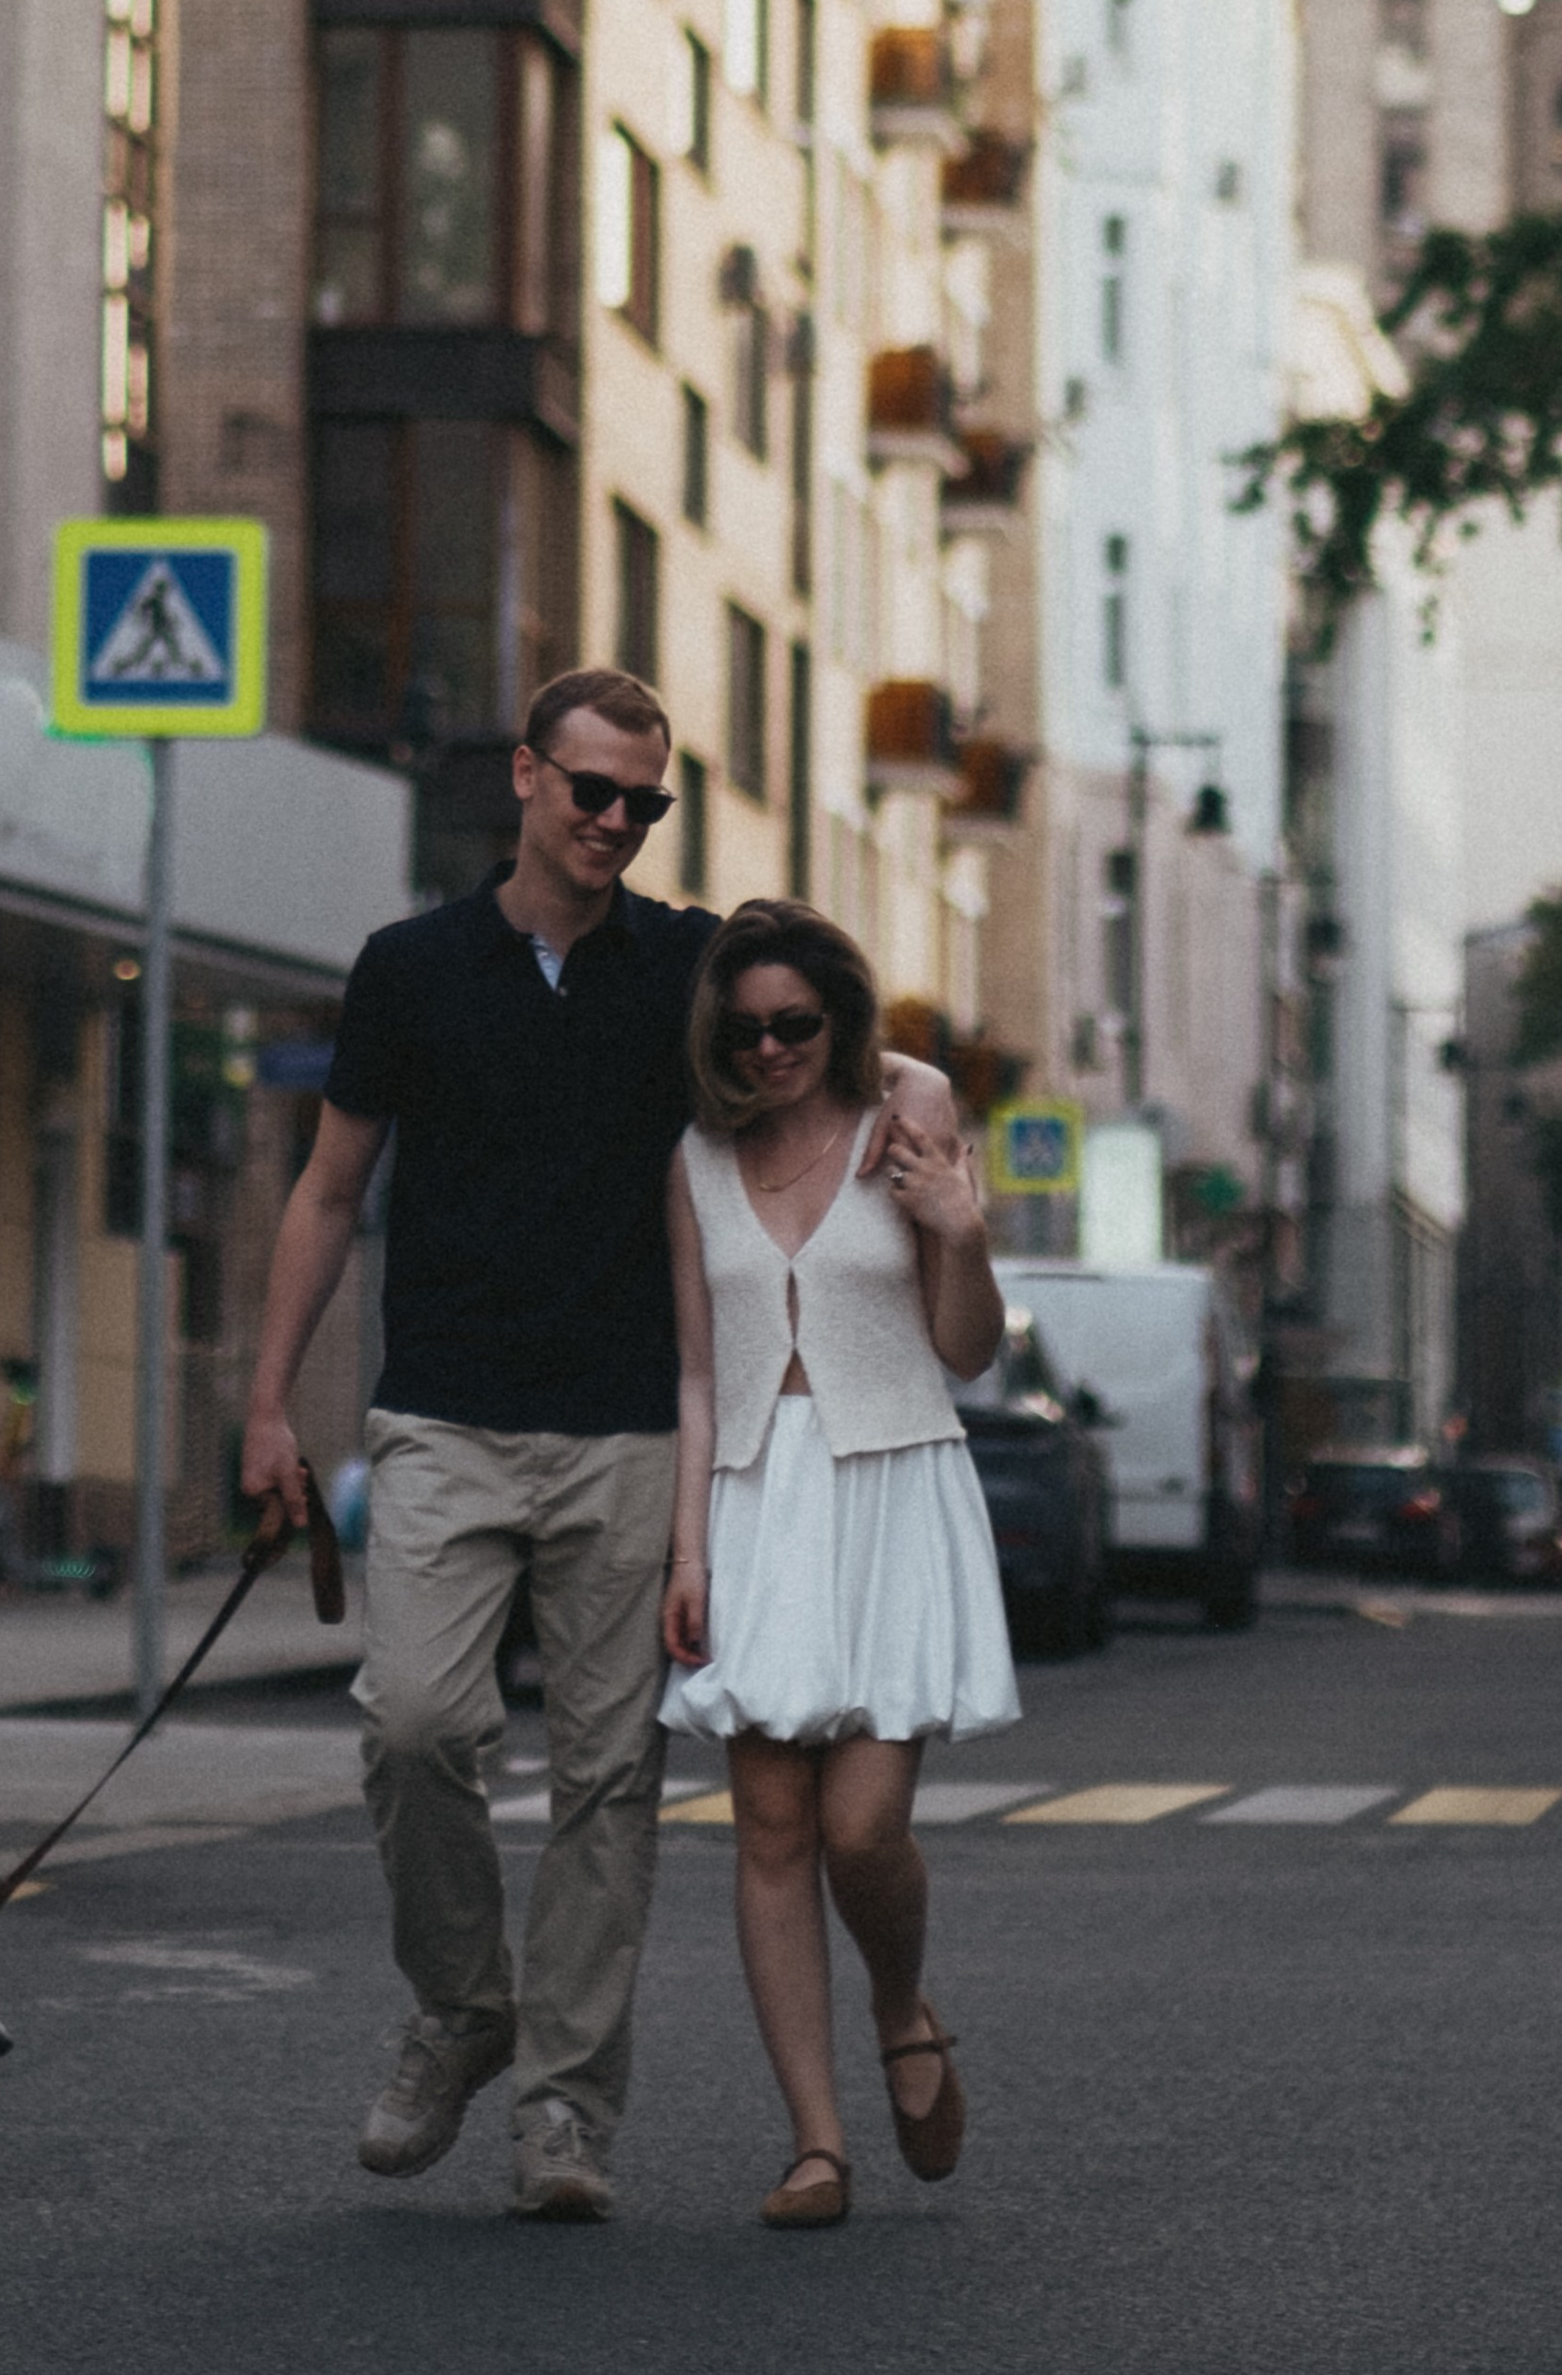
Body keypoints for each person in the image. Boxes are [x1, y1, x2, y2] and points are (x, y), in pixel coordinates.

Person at [237, 667, 950, 2224]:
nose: (618, 821)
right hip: (443, 1414)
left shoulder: (687, 966)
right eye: (594, 791)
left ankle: (563, 2112)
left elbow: (818, 1028)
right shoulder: (410, 966)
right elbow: (328, 1190)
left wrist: (921, 1111)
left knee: (607, 1783)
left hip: (633, 1428)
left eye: (647, 802)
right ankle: (463, 2005)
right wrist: (269, 1402)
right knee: (416, 1723)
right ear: (526, 779)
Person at [661, 899, 1017, 2231]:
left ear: (841, 1018)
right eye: (746, 1029)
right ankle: (818, 2144)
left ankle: (898, 2003)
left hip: (890, 1482)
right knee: (770, 1830)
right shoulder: (697, 1158)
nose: (770, 1050)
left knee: (863, 1829)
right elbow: (699, 1376)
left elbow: (966, 1347)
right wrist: (688, 1549)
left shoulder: (907, 1112)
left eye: (796, 1024)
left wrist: (962, 1228)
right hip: (754, 1499)